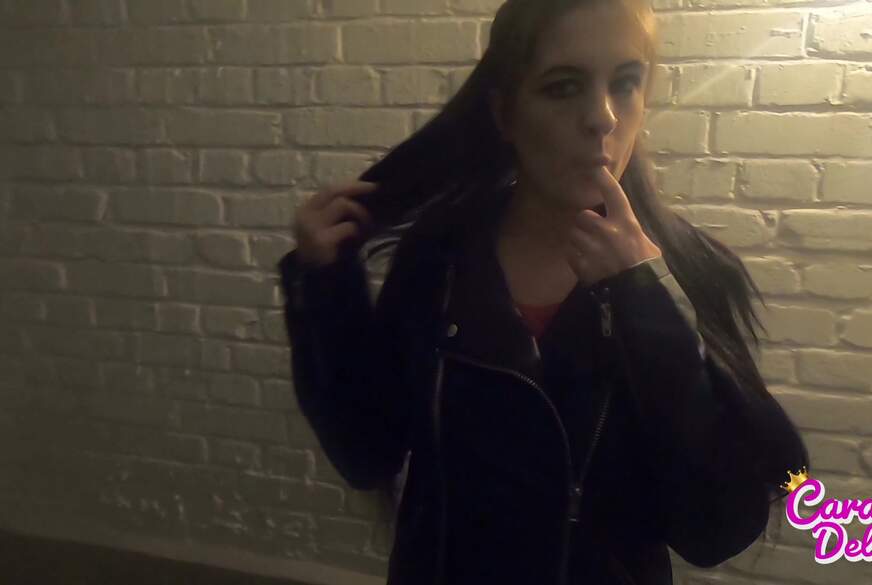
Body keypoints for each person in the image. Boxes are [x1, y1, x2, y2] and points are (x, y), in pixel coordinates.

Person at [277, 0, 810, 584]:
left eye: (625, 83)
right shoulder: (439, 259)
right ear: (505, 113)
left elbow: (716, 531)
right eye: (563, 87)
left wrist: (648, 305)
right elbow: (366, 452)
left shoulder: (693, 272)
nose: (603, 117)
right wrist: (327, 287)